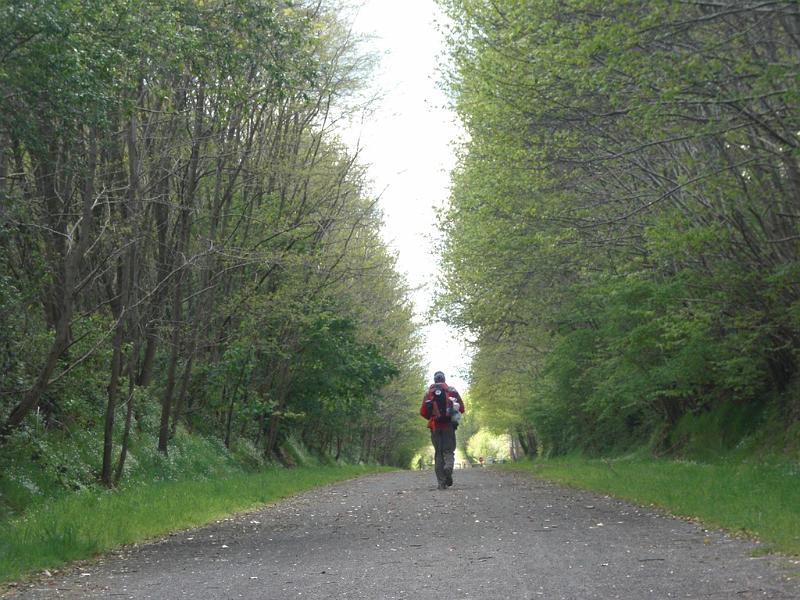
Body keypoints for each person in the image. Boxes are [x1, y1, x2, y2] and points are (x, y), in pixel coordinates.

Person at [419, 371, 465, 490]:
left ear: (434, 380)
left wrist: (433, 417)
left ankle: (441, 482)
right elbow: (462, 408)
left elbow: (423, 412)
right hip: (449, 426)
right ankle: (448, 467)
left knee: (438, 453)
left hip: (435, 427)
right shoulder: (452, 390)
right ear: (444, 379)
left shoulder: (428, 393)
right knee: (448, 451)